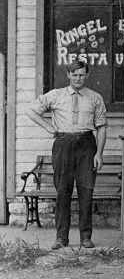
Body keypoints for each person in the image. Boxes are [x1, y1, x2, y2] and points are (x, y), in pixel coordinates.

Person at [26, 57, 107, 250]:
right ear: (68, 75)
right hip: (63, 143)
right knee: (63, 190)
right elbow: (31, 110)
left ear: (87, 75)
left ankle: (86, 237)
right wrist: (48, 127)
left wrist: (99, 154)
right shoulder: (56, 95)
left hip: (87, 143)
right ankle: (61, 237)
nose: (78, 78)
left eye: (82, 75)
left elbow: (102, 127)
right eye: (75, 75)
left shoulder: (95, 97)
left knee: (86, 191)